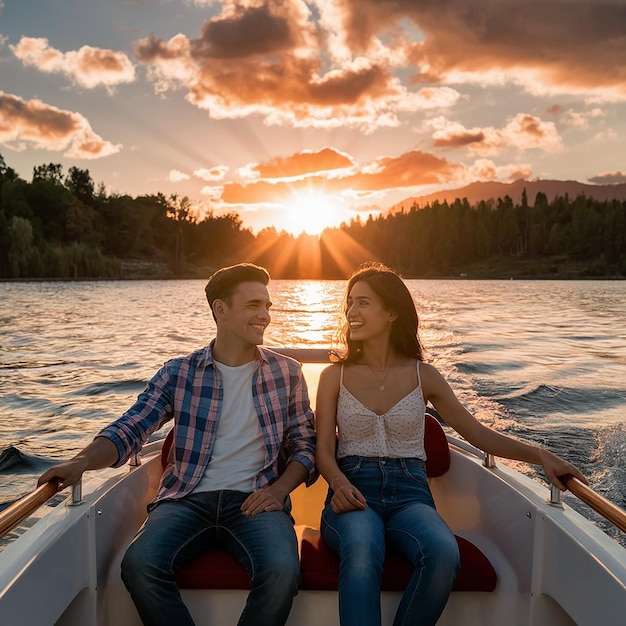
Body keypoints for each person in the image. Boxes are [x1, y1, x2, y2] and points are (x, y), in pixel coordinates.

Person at [38, 263, 317, 626]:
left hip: (256, 499)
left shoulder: (288, 372)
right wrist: (80, 462)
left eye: (267, 306)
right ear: (220, 309)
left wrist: (279, 491)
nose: (264, 315)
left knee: (282, 571)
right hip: (186, 498)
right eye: (253, 306)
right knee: (139, 565)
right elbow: (131, 427)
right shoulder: (179, 372)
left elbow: (304, 445)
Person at [315, 262, 587, 626]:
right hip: (351, 488)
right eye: (349, 303)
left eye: (362, 303)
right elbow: (323, 452)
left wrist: (539, 455)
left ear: (392, 312)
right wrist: (339, 484)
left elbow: (476, 434)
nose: (351, 312)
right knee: (363, 551)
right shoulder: (335, 375)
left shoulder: (423, 375)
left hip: (409, 495)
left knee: (443, 553)